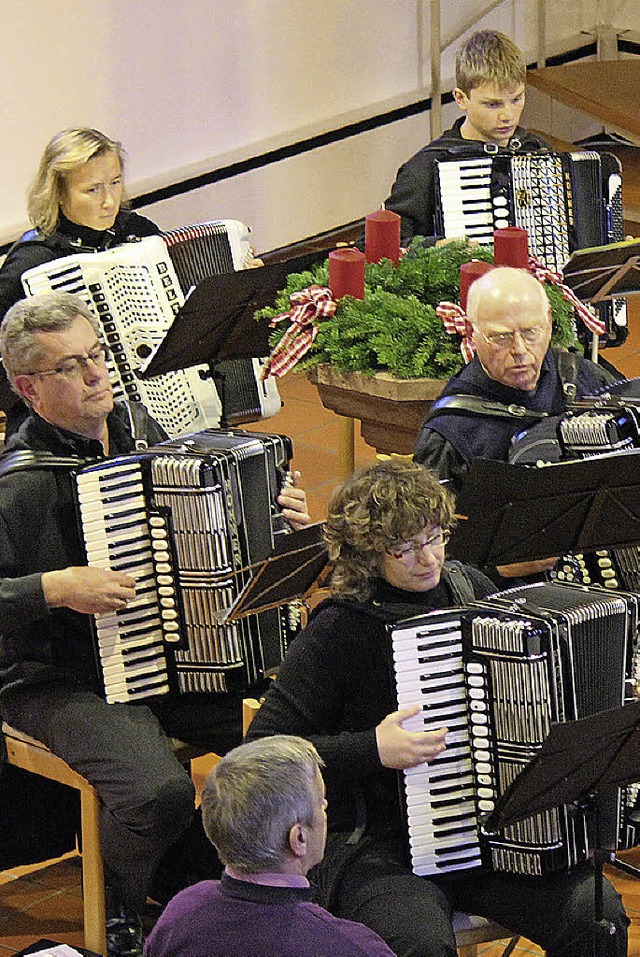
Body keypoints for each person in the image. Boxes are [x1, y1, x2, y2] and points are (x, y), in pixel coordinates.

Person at [0, 291, 311, 957]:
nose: (96, 375)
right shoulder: (19, 484)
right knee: (157, 789)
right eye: (72, 366)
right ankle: (120, 904)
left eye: (98, 356)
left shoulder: (143, 431)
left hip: (168, 654)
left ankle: (217, 878)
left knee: (292, 728)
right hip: (57, 677)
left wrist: (278, 517)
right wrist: (55, 587)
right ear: (28, 388)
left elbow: (212, 533)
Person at [247, 459, 628, 957]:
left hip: (492, 836)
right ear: (366, 553)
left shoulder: (472, 590)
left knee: (596, 918)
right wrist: (373, 748)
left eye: (435, 538)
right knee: (419, 946)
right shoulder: (339, 629)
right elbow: (260, 751)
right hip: (382, 847)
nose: (427, 559)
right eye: (403, 548)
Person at [144, 735, 395, 957]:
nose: (325, 811)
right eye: (321, 803)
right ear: (298, 839)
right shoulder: (352, 947)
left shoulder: (183, 910)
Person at [385, 30, 550, 246]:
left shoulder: (537, 150)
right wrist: (437, 246)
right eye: (493, 104)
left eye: (516, 99)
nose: (507, 115)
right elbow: (380, 245)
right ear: (461, 99)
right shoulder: (425, 168)